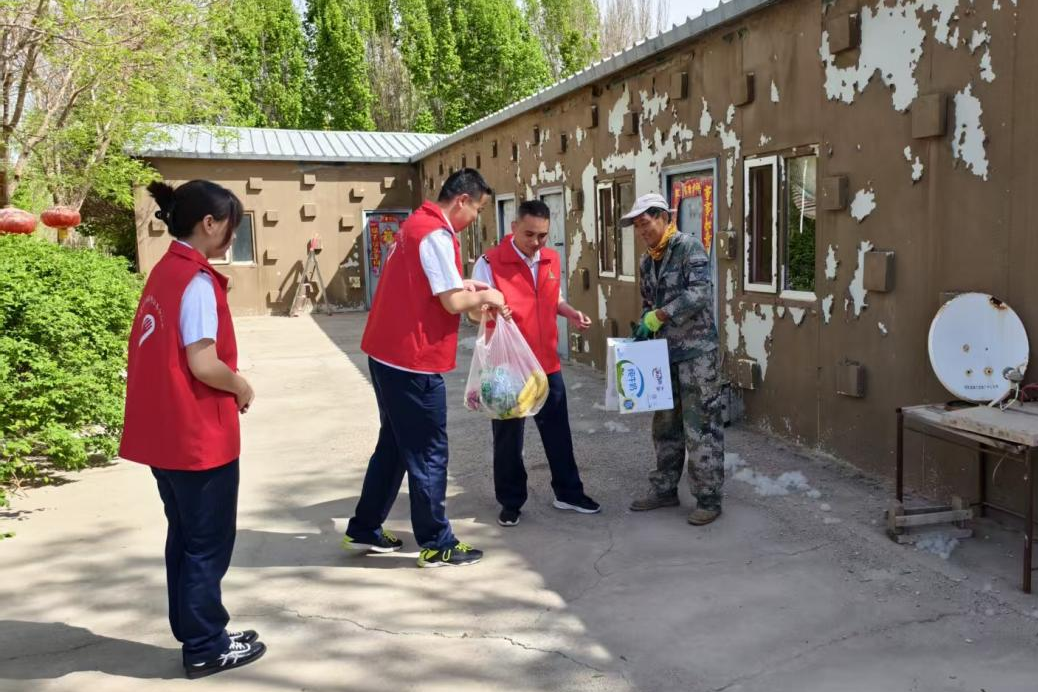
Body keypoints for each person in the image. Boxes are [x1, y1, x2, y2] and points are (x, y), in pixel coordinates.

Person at [120, 180, 266, 679]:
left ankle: (202, 630)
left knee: (184, 537)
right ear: (210, 223)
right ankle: (205, 645)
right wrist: (241, 386)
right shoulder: (197, 281)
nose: (231, 238)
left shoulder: (166, 270)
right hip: (197, 435)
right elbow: (203, 362)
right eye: (231, 228)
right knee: (207, 543)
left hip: (167, 435)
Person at [345, 168, 508, 567]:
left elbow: (432, 284)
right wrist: (489, 293)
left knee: (396, 447)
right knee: (429, 450)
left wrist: (466, 284)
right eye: (478, 210)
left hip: (386, 354)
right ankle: (437, 541)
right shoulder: (436, 234)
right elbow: (451, 302)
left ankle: (364, 527)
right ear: (461, 202)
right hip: (410, 361)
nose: (476, 220)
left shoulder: (416, 225)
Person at [470, 200, 600, 527]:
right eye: (529, 234)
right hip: (506, 367)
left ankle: (568, 493)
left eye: (543, 235)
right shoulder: (489, 263)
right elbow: (472, 310)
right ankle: (511, 501)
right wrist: (490, 310)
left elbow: (551, 298)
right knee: (508, 438)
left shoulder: (551, 259)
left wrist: (569, 312)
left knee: (558, 433)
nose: (536, 242)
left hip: (546, 363)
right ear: (513, 227)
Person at [623, 193, 725, 526]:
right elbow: (647, 302)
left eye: (645, 223)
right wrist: (643, 326)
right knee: (665, 425)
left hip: (696, 354)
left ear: (664, 217)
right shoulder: (646, 261)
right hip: (661, 354)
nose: (642, 231)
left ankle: (708, 498)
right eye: (638, 227)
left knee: (701, 426)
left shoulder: (689, 248)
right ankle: (665, 489)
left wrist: (661, 315)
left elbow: (699, 294)